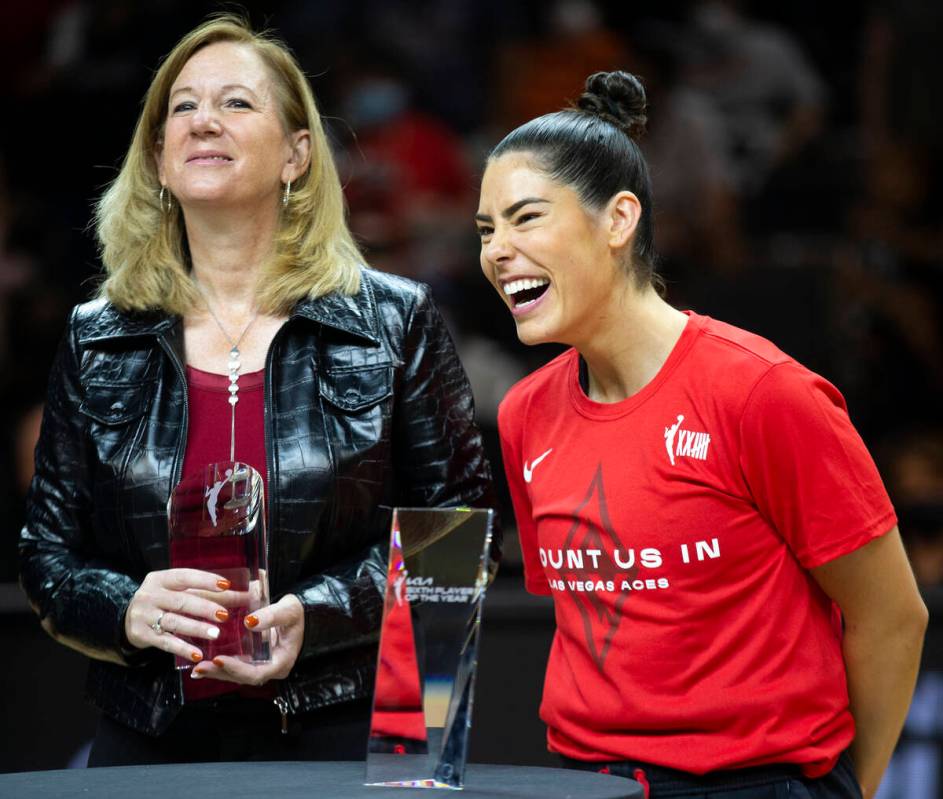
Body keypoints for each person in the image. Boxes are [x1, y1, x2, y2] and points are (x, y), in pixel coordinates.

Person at [19, 15, 495, 766]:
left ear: (297, 155)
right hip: (151, 731)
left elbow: (460, 535)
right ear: (159, 158)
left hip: (349, 726)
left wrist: (319, 613)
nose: (204, 120)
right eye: (182, 107)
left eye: (236, 103)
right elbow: (46, 555)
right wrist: (127, 607)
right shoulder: (95, 334)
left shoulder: (394, 320)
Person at [474, 70, 926, 799]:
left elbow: (892, 615)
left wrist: (845, 792)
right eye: (486, 230)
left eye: (525, 218)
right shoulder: (523, 413)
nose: (497, 250)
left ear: (618, 220)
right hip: (580, 782)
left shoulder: (760, 391)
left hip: (755, 785)